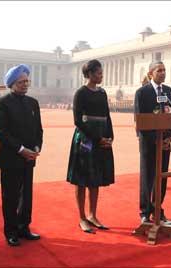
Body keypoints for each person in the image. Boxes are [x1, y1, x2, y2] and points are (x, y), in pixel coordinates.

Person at [0, 64, 43, 246]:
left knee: (26, 195)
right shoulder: (2, 103)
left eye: (26, 81)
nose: (25, 84)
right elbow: (0, 131)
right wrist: (21, 149)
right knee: (10, 196)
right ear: (12, 84)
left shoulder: (33, 103)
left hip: (30, 157)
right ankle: (11, 231)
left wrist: (37, 147)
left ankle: (24, 227)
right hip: (11, 157)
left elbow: (39, 129)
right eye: (21, 82)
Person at [67, 59, 114, 233]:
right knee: (81, 179)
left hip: (102, 138)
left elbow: (107, 116)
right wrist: (96, 138)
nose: (101, 76)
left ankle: (93, 214)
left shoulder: (102, 93)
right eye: (98, 73)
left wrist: (109, 136)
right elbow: (78, 120)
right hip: (86, 139)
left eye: (101, 73)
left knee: (96, 178)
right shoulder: (81, 93)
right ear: (89, 74)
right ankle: (82, 217)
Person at [134, 61, 171, 223]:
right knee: (148, 177)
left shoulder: (169, 91)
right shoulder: (142, 93)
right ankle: (145, 211)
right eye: (160, 70)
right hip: (148, 143)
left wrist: (169, 137)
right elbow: (140, 121)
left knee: (162, 176)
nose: (163, 73)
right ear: (151, 73)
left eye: (164, 70)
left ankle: (158, 208)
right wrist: (155, 140)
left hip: (165, 142)